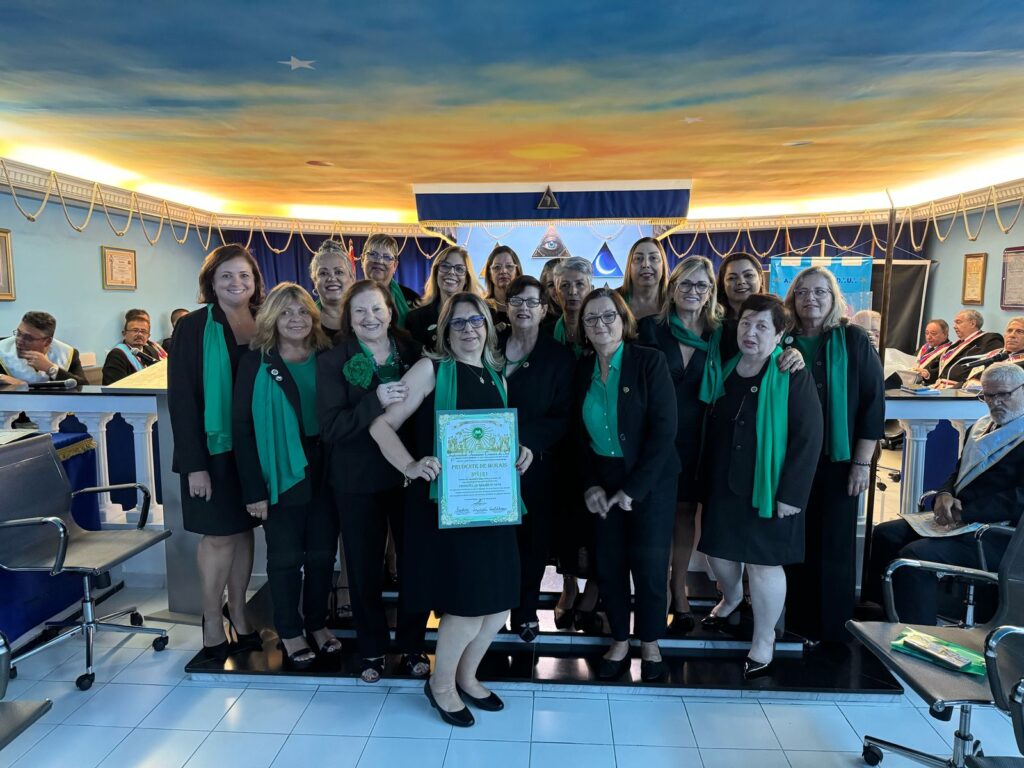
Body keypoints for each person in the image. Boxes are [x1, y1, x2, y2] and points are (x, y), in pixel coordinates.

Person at [369, 292, 533, 727]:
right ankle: (440, 685)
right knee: (467, 606)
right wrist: (410, 465)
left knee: (498, 605)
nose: (468, 329)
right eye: (458, 322)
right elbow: (381, 425)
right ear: (445, 330)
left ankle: (467, 676)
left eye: (475, 321)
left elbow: (491, 435)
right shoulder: (432, 370)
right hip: (450, 511)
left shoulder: (495, 374)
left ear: (488, 327)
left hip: (493, 508)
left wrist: (519, 450)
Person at [699, 294, 823, 678]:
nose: (750, 332)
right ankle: (733, 597)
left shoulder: (790, 372)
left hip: (770, 489)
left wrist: (791, 494)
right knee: (718, 555)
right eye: (746, 323)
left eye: (761, 327)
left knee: (764, 564)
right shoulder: (727, 365)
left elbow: (809, 436)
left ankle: (764, 639)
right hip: (724, 484)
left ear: (780, 334)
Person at [317, 279, 429, 683]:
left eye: (377, 308)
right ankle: (371, 648)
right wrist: (374, 401)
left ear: (390, 311)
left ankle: (413, 644)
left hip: (409, 475)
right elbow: (331, 427)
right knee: (364, 568)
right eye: (360, 311)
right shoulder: (333, 361)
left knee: (415, 564)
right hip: (357, 479)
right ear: (348, 317)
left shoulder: (413, 352)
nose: (370, 317)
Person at [232, 283, 341, 668]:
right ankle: (290, 630)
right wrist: (253, 490)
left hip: (326, 464)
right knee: (285, 556)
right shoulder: (256, 362)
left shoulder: (327, 355)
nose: (296, 319)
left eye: (302, 311)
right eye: (286, 312)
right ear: (272, 319)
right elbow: (242, 428)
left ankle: (317, 623)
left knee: (323, 553)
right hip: (279, 467)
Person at [574, 288, 679, 681]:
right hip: (602, 479)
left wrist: (634, 490)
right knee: (610, 565)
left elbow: (664, 431)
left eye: (608, 316)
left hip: (650, 480)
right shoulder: (581, 369)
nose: (600, 324)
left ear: (623, 321)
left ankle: (650, 642)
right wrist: (590, 485)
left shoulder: (649, 361)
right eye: (591, 318)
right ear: (583, 328)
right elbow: (575, 436)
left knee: (650, 566)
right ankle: (619, 639)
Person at [866, 363, 1024, 624]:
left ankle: (915, 632)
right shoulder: (981, 427)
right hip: (961, 520)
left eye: (1004, 394)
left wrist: (965, 513)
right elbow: (958, 472)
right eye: (987, 395)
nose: (995, 402)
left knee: (915, 556)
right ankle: (882, 612)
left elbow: (1018, 499)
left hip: (998, 533)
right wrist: (944, 494)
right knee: (885, 534)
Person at [167, 244, 265, 661]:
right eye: (226, 275)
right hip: (213, 452)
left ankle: (239, 613)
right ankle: (211, 620)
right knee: (220, 536)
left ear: (255, 281)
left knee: (244, 532)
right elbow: (182, 399)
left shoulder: (265, 320)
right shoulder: (192, 327)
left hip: (255, 449)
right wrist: (195, 466)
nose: (236, 283)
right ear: (211, 281)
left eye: (244, 275)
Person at [782, 266, 885, 643]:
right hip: (789, 460)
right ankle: (797, 625)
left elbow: (873, 403)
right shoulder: (782, 339)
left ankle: (832, 631)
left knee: (834, 545)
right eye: (802, 292)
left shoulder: (853, 339)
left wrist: (862, 463)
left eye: (819, 292)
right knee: (794, 541)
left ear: (833, 299)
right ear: (792, 298)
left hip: (838, 459)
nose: (810, 298)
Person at [637, 256, 723, 635]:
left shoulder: (721, 333)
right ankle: (654, 594)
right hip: (656, 437)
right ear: (672, 289)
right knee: (656, 517)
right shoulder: (649, 329)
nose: (693, 291)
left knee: (686, 513)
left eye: (701, 285)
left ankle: (679, 590)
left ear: (710, 291)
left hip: (700, 437)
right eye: (685, 284)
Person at [502, 275, 574, 642]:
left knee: (532, 543)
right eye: (517, 300)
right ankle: (495, 608)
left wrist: (527, 441)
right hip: (486, 465)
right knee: (496, 541)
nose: (524, 308)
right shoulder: (489, 345)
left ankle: (525, 610)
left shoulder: (558, 357)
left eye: (532, 302)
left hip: (537, 465)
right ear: (506, 306)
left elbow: (564, 416)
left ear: (544, 310)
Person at [548, 255, 598, 627]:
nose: (572, 291)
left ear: (591, 286)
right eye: (564, 285)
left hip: (597, 437)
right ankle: (568, 586)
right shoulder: (547, 330)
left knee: (597, 519)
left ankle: (594, 589)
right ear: (554, 290)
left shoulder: (601, 325)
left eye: (579, 284)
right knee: (564, 516)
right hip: (560, 440)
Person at [405, 246, 482, 351]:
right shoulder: (415, 319)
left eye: (459, 269)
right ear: (436, 273)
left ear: (467, 278)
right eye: (445, 266)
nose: (451, 272)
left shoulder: (481, 316)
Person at [0, 311, 86, 386]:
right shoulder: (3, 349)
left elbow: (84, 386)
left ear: (47, 341)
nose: (19, 340)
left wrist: (50, 368)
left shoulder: (66, 353)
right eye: (18, 333)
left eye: (28, 338)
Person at [360, 234, 419, 327]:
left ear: (395, 265)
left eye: (387, 257)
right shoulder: (350, 298)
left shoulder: (413, 300)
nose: (379, 261)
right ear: (362, 260)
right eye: (373, 254)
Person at [933, 310, 1004, 387]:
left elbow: (987, 365)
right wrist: (929, 374)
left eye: (958, 322)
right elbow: (944, 366)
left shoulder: (989, 339)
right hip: (940, 385)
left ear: (972, 324)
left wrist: (962, 383)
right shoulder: (955, 344)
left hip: (961, 388)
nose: (954, 326)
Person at [101, 310, 167, 384]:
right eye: (135, 330)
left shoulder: (152, 351)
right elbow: (116, 387)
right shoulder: (116, 355)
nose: (139, 334)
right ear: (124, 334)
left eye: (143, 331)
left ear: (148, 336)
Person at [310, 239, 355, 340]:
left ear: (352, 278)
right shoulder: (305, 320)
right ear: (315, 281)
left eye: (339, 272)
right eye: (323, 273)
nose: (332, 278)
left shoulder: (366, 316)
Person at [963, 317, 1024, 386]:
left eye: (1020, 332)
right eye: (1009, 331)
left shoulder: (1021, 363)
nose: (1012, 335)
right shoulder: (995, 353)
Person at [618, 237, 669, 320]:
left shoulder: (676, 302)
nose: (646, 264)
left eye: (653, 258)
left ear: (663, 265)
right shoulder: (613, 301)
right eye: (638, 258)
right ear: (629, 266)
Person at [716, 252, 765, 321]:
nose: (741, 282)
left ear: (760, 278)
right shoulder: (710, 320)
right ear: (722, 283)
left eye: (748, 275)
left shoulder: (773, 315)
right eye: (732, 278)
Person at [482, 244, 522, 324]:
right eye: (497, 267)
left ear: (517, 272)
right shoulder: (481, 309)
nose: (503, 271)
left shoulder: (527, 306)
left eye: (509, 266)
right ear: (489, 275)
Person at [539, 257, 563, 325]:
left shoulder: (585, 313)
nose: (557, 289)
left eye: (562, 283)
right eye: (551, 285)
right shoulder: (541, 321)